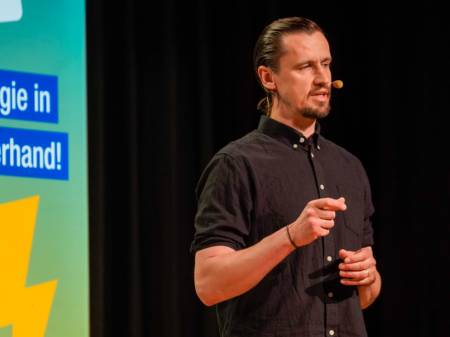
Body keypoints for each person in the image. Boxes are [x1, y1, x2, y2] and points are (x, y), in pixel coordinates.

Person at [190, 17, 381, 337]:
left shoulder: (350, 167)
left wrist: (369, 277)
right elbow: (209, 284)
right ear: (268, 78)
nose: (322, 78)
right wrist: (290, 236)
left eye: (326, 63)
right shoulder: (235, 164)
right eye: (305, 66)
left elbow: (365, 297)